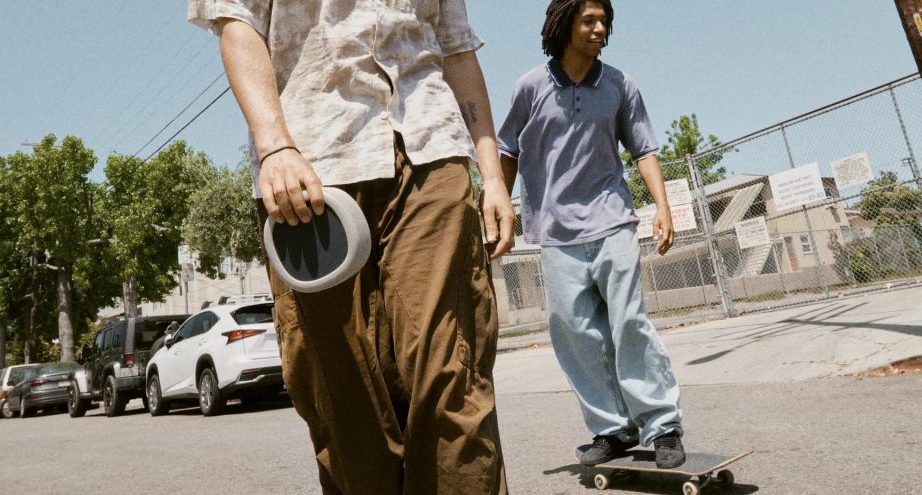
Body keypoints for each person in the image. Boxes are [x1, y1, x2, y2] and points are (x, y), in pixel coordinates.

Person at [187, 1, 516, 493]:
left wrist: (492, 176)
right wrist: (274, 145)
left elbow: (457, 49)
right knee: (345, 395)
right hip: (312, 168)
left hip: (432, 151)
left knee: (451, 370)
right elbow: (237, 21)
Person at [497, 0, 686, 469]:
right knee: (576, 333)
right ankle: (612, 429)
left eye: (605, 21)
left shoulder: (620, 85)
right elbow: (506, 149)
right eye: (590, 20)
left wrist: (662, 207)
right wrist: (497, 206)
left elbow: (644, 148)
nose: (601, 28)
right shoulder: (531, 87)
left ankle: (662, 426)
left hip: (612, 219)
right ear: (564, 25)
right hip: (556, 230)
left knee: (628, 322)